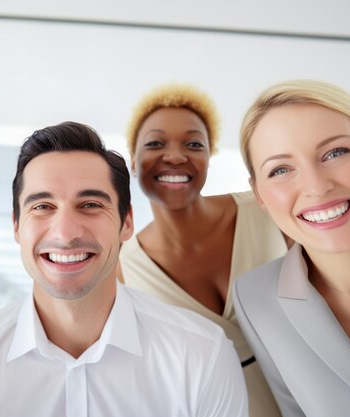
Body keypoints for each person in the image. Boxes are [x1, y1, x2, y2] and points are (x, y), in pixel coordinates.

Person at [0, 121, 248, 417]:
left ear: (126, 222)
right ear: (16, 226)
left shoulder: (201, 356)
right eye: (42, 206)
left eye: (90, 205)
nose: (65, 233)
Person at [118, 84, 287, 417]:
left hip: (320, 395)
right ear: (133, 162)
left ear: (209, 157)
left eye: (193, 144)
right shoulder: (123, 268)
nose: (176, 156)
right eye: (155, 143)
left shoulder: (269, 208)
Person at [232, 79, 350, 416]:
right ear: (259, 194)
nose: (316, 187)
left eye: (335, 153)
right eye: (281, 169)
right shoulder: (255, 299)